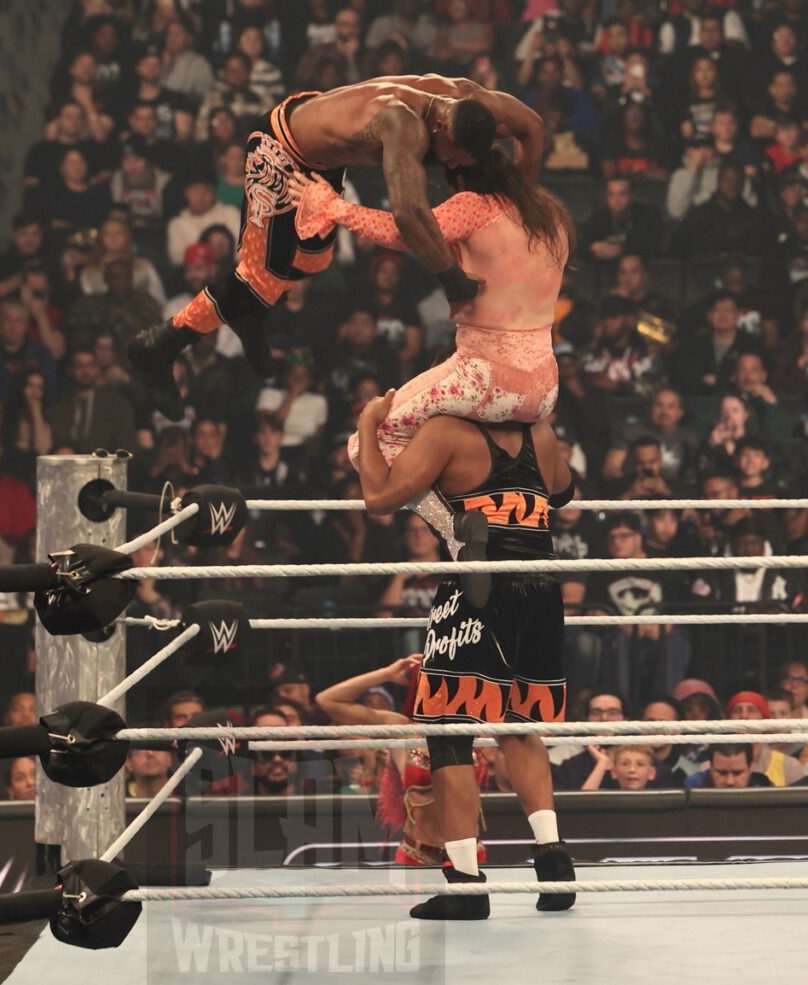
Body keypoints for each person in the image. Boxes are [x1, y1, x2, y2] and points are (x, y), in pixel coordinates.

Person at [128, 73, 543, 421]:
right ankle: (161, 343)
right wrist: (451, 280)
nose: (450, 166)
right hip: (282, 147)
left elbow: (533, 128)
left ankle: (249, 318)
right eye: (452, 157)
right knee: (259, 278)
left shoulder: (474, 99)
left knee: (315, 258)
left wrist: (518, 205)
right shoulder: (404, 125)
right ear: (441, 130)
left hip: (322, 152)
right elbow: (408, 216)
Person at [356, 394, 575, 920]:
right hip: (542, 588)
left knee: (448, 729)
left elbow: (378, 498)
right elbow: (563, 493)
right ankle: (554, 864)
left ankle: (465, 885)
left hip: (479, 590)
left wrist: (368, 425)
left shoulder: (447, 432)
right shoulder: (538, 430)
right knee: (519, 722)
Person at [300, 143, 573, 563]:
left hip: (485, 377)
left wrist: (335, 208)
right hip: (544, 387)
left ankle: (455, 534)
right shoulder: (552, 216)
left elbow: (405, 230)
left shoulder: (474, 207)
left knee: (368, 439)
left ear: (461, 177)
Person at [316, 655, 447, 866]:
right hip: (417, 852)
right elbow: (326, 700)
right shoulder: (403, 728)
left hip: (467, 851)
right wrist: (386, 673)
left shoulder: (476, 727)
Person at [684, 744, 774, 789]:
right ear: (710, 769)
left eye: (737, 773)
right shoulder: (693, 790)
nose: (729, 781)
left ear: (750, 769)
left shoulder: (767, 791)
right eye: (722, 773)